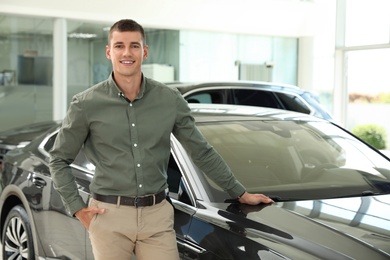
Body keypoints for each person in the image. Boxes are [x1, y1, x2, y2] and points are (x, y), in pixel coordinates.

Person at [49, 18, 273, 260]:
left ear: (144, 51)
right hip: (108, 216)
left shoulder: (169, 99)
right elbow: (59, 159)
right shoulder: (86, 104)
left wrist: (239, 192)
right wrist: (78, 208)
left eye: (134, 46)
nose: (127, 53)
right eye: (119, 46)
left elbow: (201, 151)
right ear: (108, 51)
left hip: (156, 216)